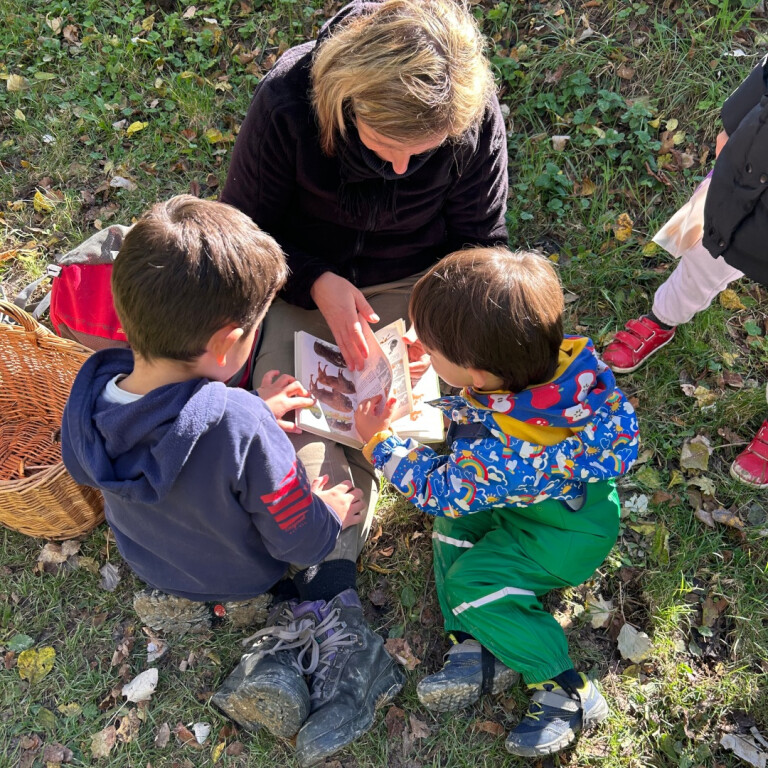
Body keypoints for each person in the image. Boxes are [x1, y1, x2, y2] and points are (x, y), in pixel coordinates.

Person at [218, 1, 509, 764]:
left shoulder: (472, 113)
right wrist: (317, 284)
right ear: (344, 101)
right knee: (296, 421)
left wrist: (431, 317)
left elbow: (480, 241)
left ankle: (328, 613)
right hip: (300, 281)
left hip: (418, 288)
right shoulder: (289, 100)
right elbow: (244, 232)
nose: (406, 169)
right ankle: (329, 608)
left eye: (427, 151)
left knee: (417, 422)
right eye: (388, 147)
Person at [60, 194, 369, 716]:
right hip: (244, 575)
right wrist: (329, 514)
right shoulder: (240, 427)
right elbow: (300, 536)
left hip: (151, 561)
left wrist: (243, 407)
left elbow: (104, 453)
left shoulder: (89, 391)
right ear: (228, 346)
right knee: (318, 533)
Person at [354, 248, 640, 757]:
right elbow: (495, 403)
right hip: (545, 507)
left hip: (558, 540)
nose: (416, 342)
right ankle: (480, 637)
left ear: (478, 371)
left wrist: (381, 443)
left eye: (430, 344)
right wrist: (446, 381)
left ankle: (564, 689)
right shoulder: (554, 368)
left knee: (466, 571)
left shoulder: (513, 450)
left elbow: (440, 487)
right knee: (453, 527)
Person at [603, 52, 768, 487]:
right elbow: (739, 115)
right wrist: (725, 161)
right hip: (746, 196)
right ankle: (662, 319)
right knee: (702, 261)